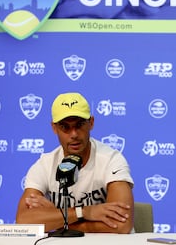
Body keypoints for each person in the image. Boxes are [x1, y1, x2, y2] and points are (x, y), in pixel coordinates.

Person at [15, 92, 134, 234]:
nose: (74, 134)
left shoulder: (111, 160)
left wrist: (56, 219)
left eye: (79, 125)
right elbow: (23, 220)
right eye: (65, 127)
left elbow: (121, 226)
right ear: (54, 128)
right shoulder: (44, 165)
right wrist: (83, 212)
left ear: (91, 123)